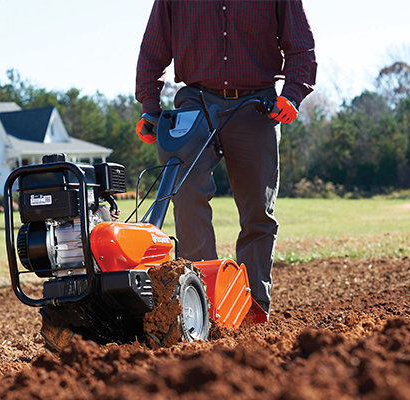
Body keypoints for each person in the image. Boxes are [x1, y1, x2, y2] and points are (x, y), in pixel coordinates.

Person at [135, 0, 316, 315]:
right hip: (196, 101)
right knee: (187, 196)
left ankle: (251, 308)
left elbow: (301, 46)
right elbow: (154, 48)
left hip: (256, 103)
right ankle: (202, 302)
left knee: (258, 211)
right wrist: (150, 106)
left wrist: (293, 93)